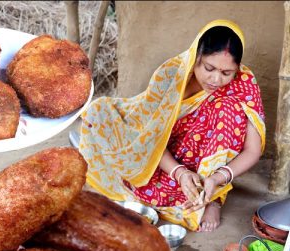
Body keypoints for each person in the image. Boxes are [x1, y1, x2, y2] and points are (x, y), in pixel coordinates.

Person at [76, 20, 265, 232]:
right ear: (196, 58)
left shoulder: (243, 84)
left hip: (208, 170)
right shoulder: (171, 74)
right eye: (209, 68)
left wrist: (217, 178)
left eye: (226, 73)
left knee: (228, 107)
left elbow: (252, 150)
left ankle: (211, 198)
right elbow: (150, 136)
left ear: (237, 69)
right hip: (164, 155)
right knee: (98, 112)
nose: (216, 79)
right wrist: (180, 173)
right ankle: (186, 187)